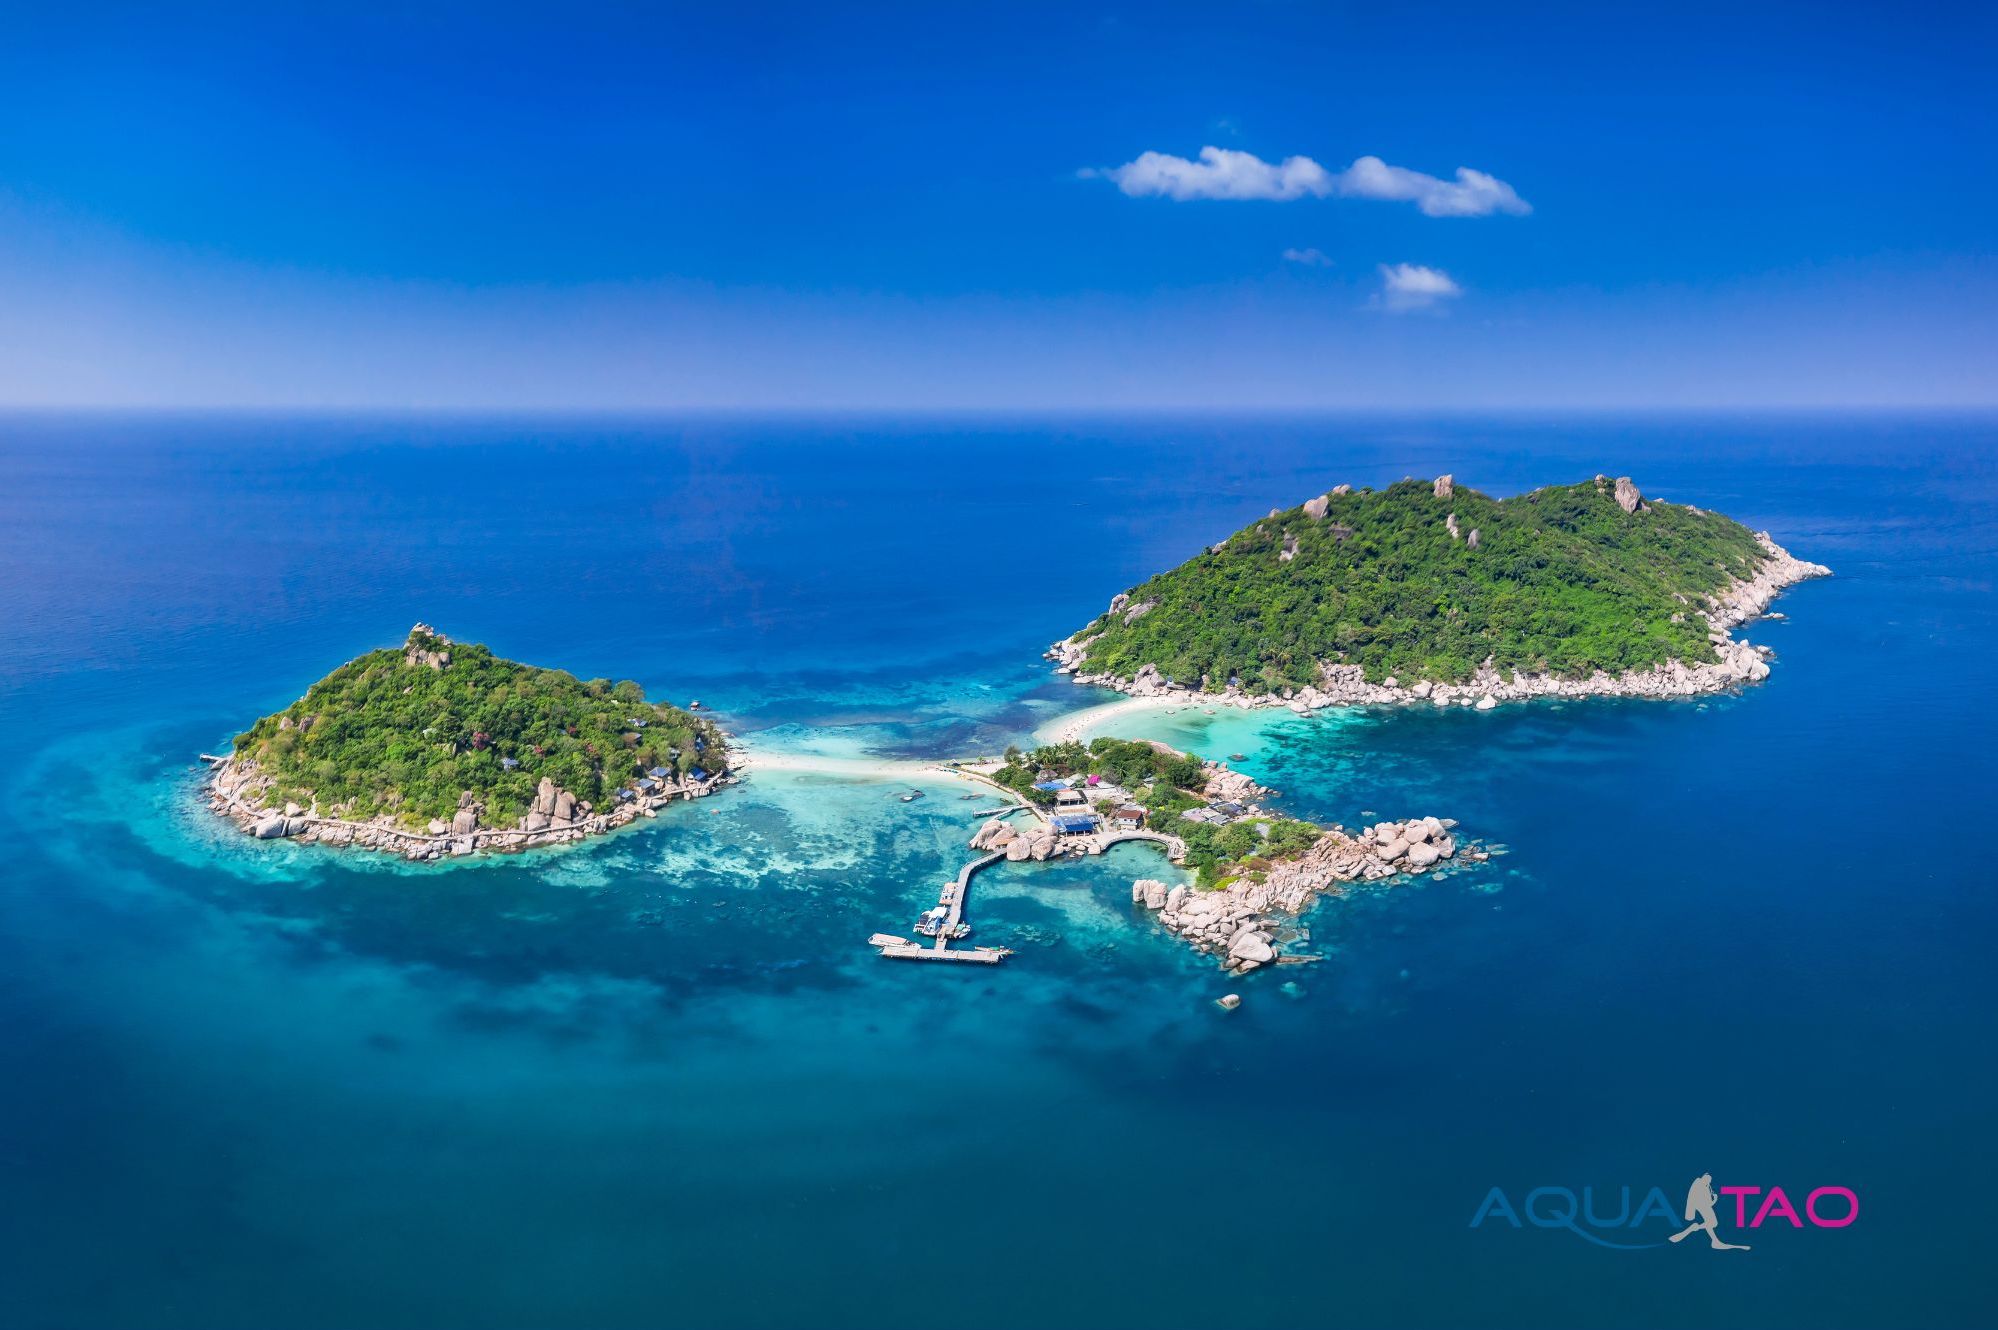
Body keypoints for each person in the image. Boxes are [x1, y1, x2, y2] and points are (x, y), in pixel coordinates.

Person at [1670, 1173, 1750, 1251]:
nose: (1709, 1181)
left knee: (1710, 1224)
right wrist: (1715, 1199)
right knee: (1713, 1223)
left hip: (1703, 1206)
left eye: (1710, 1180)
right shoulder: (1701, 1186)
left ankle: (1714, 1240)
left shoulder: (1703, 1185)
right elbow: (1708, 1203)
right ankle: (1695, 1229)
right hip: (1703, 1207)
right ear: (1704, 1178)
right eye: (1708, 1179)